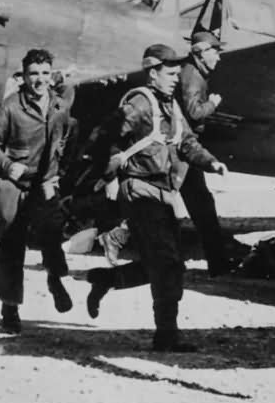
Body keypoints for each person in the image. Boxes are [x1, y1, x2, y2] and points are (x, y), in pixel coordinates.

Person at [84, 43, 227, 352]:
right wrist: (110, 174)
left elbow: (187, 142)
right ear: (153, 73)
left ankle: (107, 280)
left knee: (165, 263)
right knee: (167, 262)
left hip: (163, 192)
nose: (176, 79)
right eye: (171, 74)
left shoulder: (170, 106)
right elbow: (102, 137)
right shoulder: (140, 104)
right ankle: (166, 337)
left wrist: (211, 162)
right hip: (139, 190)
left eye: (177, 74)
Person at [0, 48, 75, 334]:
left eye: (45, 73)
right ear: (24, 76)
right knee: (10, 243)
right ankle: (10, 308)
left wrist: (59, 174)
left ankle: (55, 280)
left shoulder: (59, 106)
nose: (39, 79)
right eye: (34, 74)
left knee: (53, 236)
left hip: (44, 184)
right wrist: (7, 166)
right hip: (14, 184)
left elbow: (69, 137)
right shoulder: (11, 107)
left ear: (51, 75)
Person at [177, 30, 232, 276]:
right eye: (215, 52)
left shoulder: (191, 72)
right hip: (184, 148)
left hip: (182, 146)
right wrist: (213, 104)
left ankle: (217, 263)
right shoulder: (193, 77)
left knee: (198, 204)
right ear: (202, 53)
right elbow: (194, 112)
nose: (218, 58)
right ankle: (217, 264)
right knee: (201, 205)